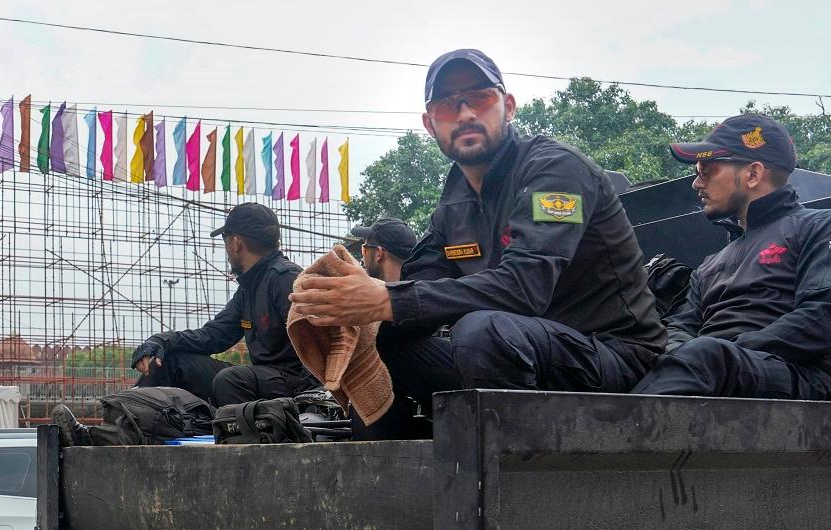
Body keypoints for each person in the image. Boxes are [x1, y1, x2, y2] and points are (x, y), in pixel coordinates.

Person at [289, 48, 666, 438]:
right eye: (449, 105)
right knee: (376, 335)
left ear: (509, 106)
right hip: (518, 358)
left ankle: (515, 482)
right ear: (430, 124)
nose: (466, 113)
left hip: (614, 359)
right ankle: (389, 478)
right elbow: (419, 289)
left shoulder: (555, 169)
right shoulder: (454, 201)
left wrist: (386, 299)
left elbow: (525, 288)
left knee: (481, 332)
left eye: (480, 97)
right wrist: (341, 306)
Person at [633, 115, 831, 399]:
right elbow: (682, 326)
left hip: (807, 379)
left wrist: (727, 349)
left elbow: (824, 317)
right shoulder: (710, 264)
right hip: (712, 368)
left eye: (707, 170)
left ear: (754, 174)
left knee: (706, 355)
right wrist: (670, 353)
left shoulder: (823, 227)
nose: (697, 183)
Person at [131, 203, 317, 407]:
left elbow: (318, 347)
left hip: (296, 385)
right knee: (170, 363)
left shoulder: (285, 279)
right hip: (263, 381)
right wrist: (161, 341)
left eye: (226, 240)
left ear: (236, 242)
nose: (227, 250)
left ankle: (240, 437)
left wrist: (309, 405)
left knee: (231, 380)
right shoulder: (249, 288)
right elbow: (211, 336)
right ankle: (135, 427)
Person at [351, 219, 418, 284]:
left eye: (365, 251)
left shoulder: (362, 293)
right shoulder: (421, 291)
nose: (363, 258)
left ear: (379, 253)